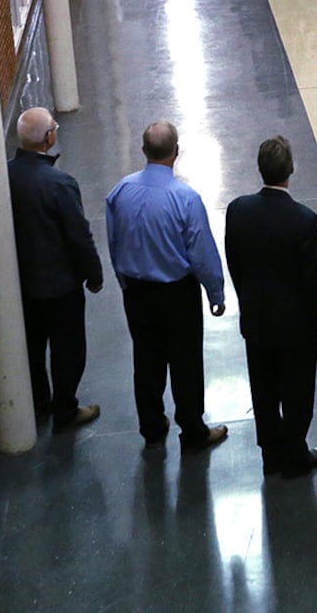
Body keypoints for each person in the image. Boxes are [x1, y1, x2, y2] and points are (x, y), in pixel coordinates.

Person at [106, 121, 229, 452]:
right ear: (176, 153)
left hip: (137, 293)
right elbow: (201, 254)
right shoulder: (186, 199)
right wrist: (215, 292)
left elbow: (114, 242)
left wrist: (125, 282)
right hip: (177, 295)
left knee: (146, 360)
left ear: (143, 151)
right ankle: (192, 430)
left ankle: (151, 426)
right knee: (186, 362)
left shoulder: (119, 192)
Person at [225, 137, 317, 478]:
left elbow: (234, 262)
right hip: (296, 326)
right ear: (291, 170)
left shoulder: (238, 210)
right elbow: (313, 278)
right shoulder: (305, 220)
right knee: (298, 390)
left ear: (260, 169)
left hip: (257, 319)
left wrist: (248, 298)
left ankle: (270, 453)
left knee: (263, 387)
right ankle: (296, 452)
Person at [7, 108, 104, 431]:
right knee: (67, 348)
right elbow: (78, 235)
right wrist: (93, 273)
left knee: (32, 347)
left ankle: (38, 403)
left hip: (21, 283)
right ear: (49, 137)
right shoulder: (60, 183)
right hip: (60, 286)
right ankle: (66, 407)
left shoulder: (4, 177)